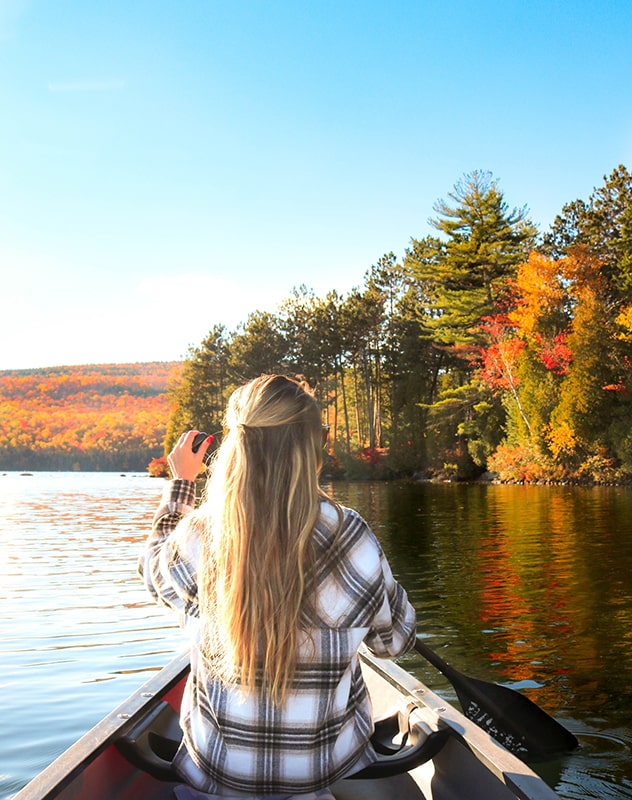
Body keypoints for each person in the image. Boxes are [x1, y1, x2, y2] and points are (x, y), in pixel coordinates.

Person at [139, 375, 417, 799]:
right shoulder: (352, 537)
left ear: (234, 447)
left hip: (218, 771)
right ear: (311, 446)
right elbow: (394, 642)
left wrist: (181, 487)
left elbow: (154, 577)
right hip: (319, 775)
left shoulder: (199, 534)